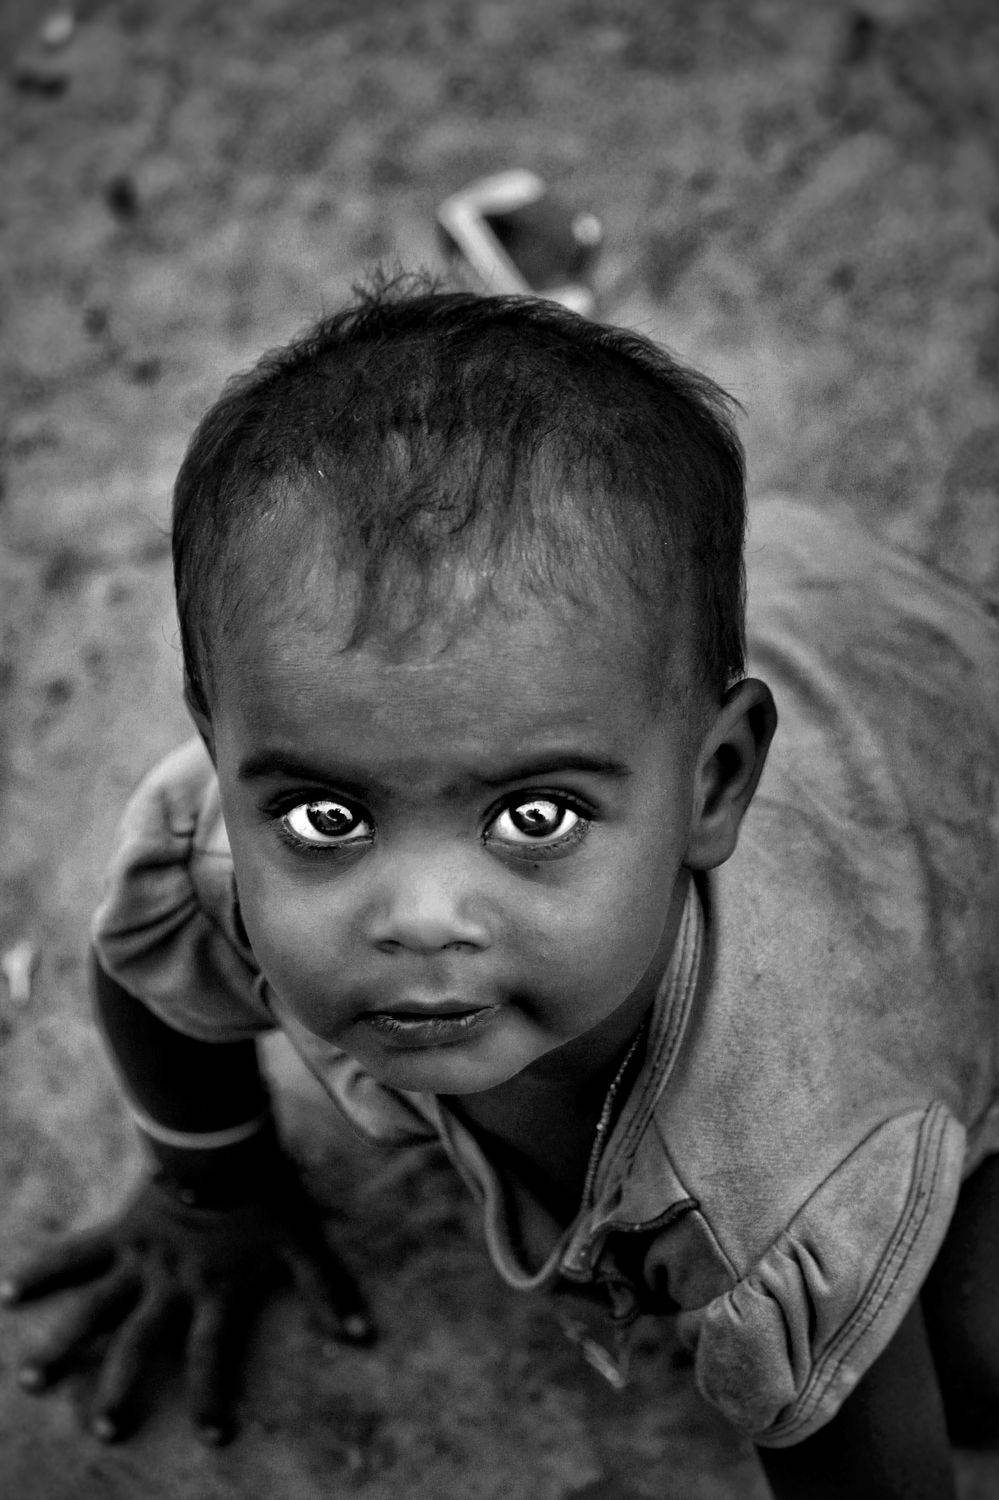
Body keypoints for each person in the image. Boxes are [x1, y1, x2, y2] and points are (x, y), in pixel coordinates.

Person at [3, 279, 997, 1499]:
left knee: (974, 1363)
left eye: (535, 818)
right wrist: (210, 1186)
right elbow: (146, 969)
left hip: (947, 799)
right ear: (221, 748)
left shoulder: (780, 1164)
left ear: (714, 785)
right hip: (762, 616)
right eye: (327, 818)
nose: (420, 918)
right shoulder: (228, 834)